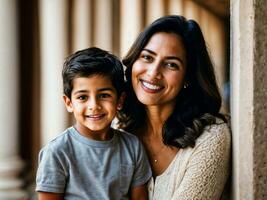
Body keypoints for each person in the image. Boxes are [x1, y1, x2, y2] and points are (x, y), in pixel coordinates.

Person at [117, 15, 231, 200]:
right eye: (147, 57)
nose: (153, 73)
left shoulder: (210, 137)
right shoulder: (118, 133)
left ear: (188, 77)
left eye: (171, 64)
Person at [36, 47, 152, 200]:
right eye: (83, 97)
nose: (94, 106)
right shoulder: (57, 152)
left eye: (104, 95)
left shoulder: (132, 147)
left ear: (120, 100)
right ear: (69, 103)